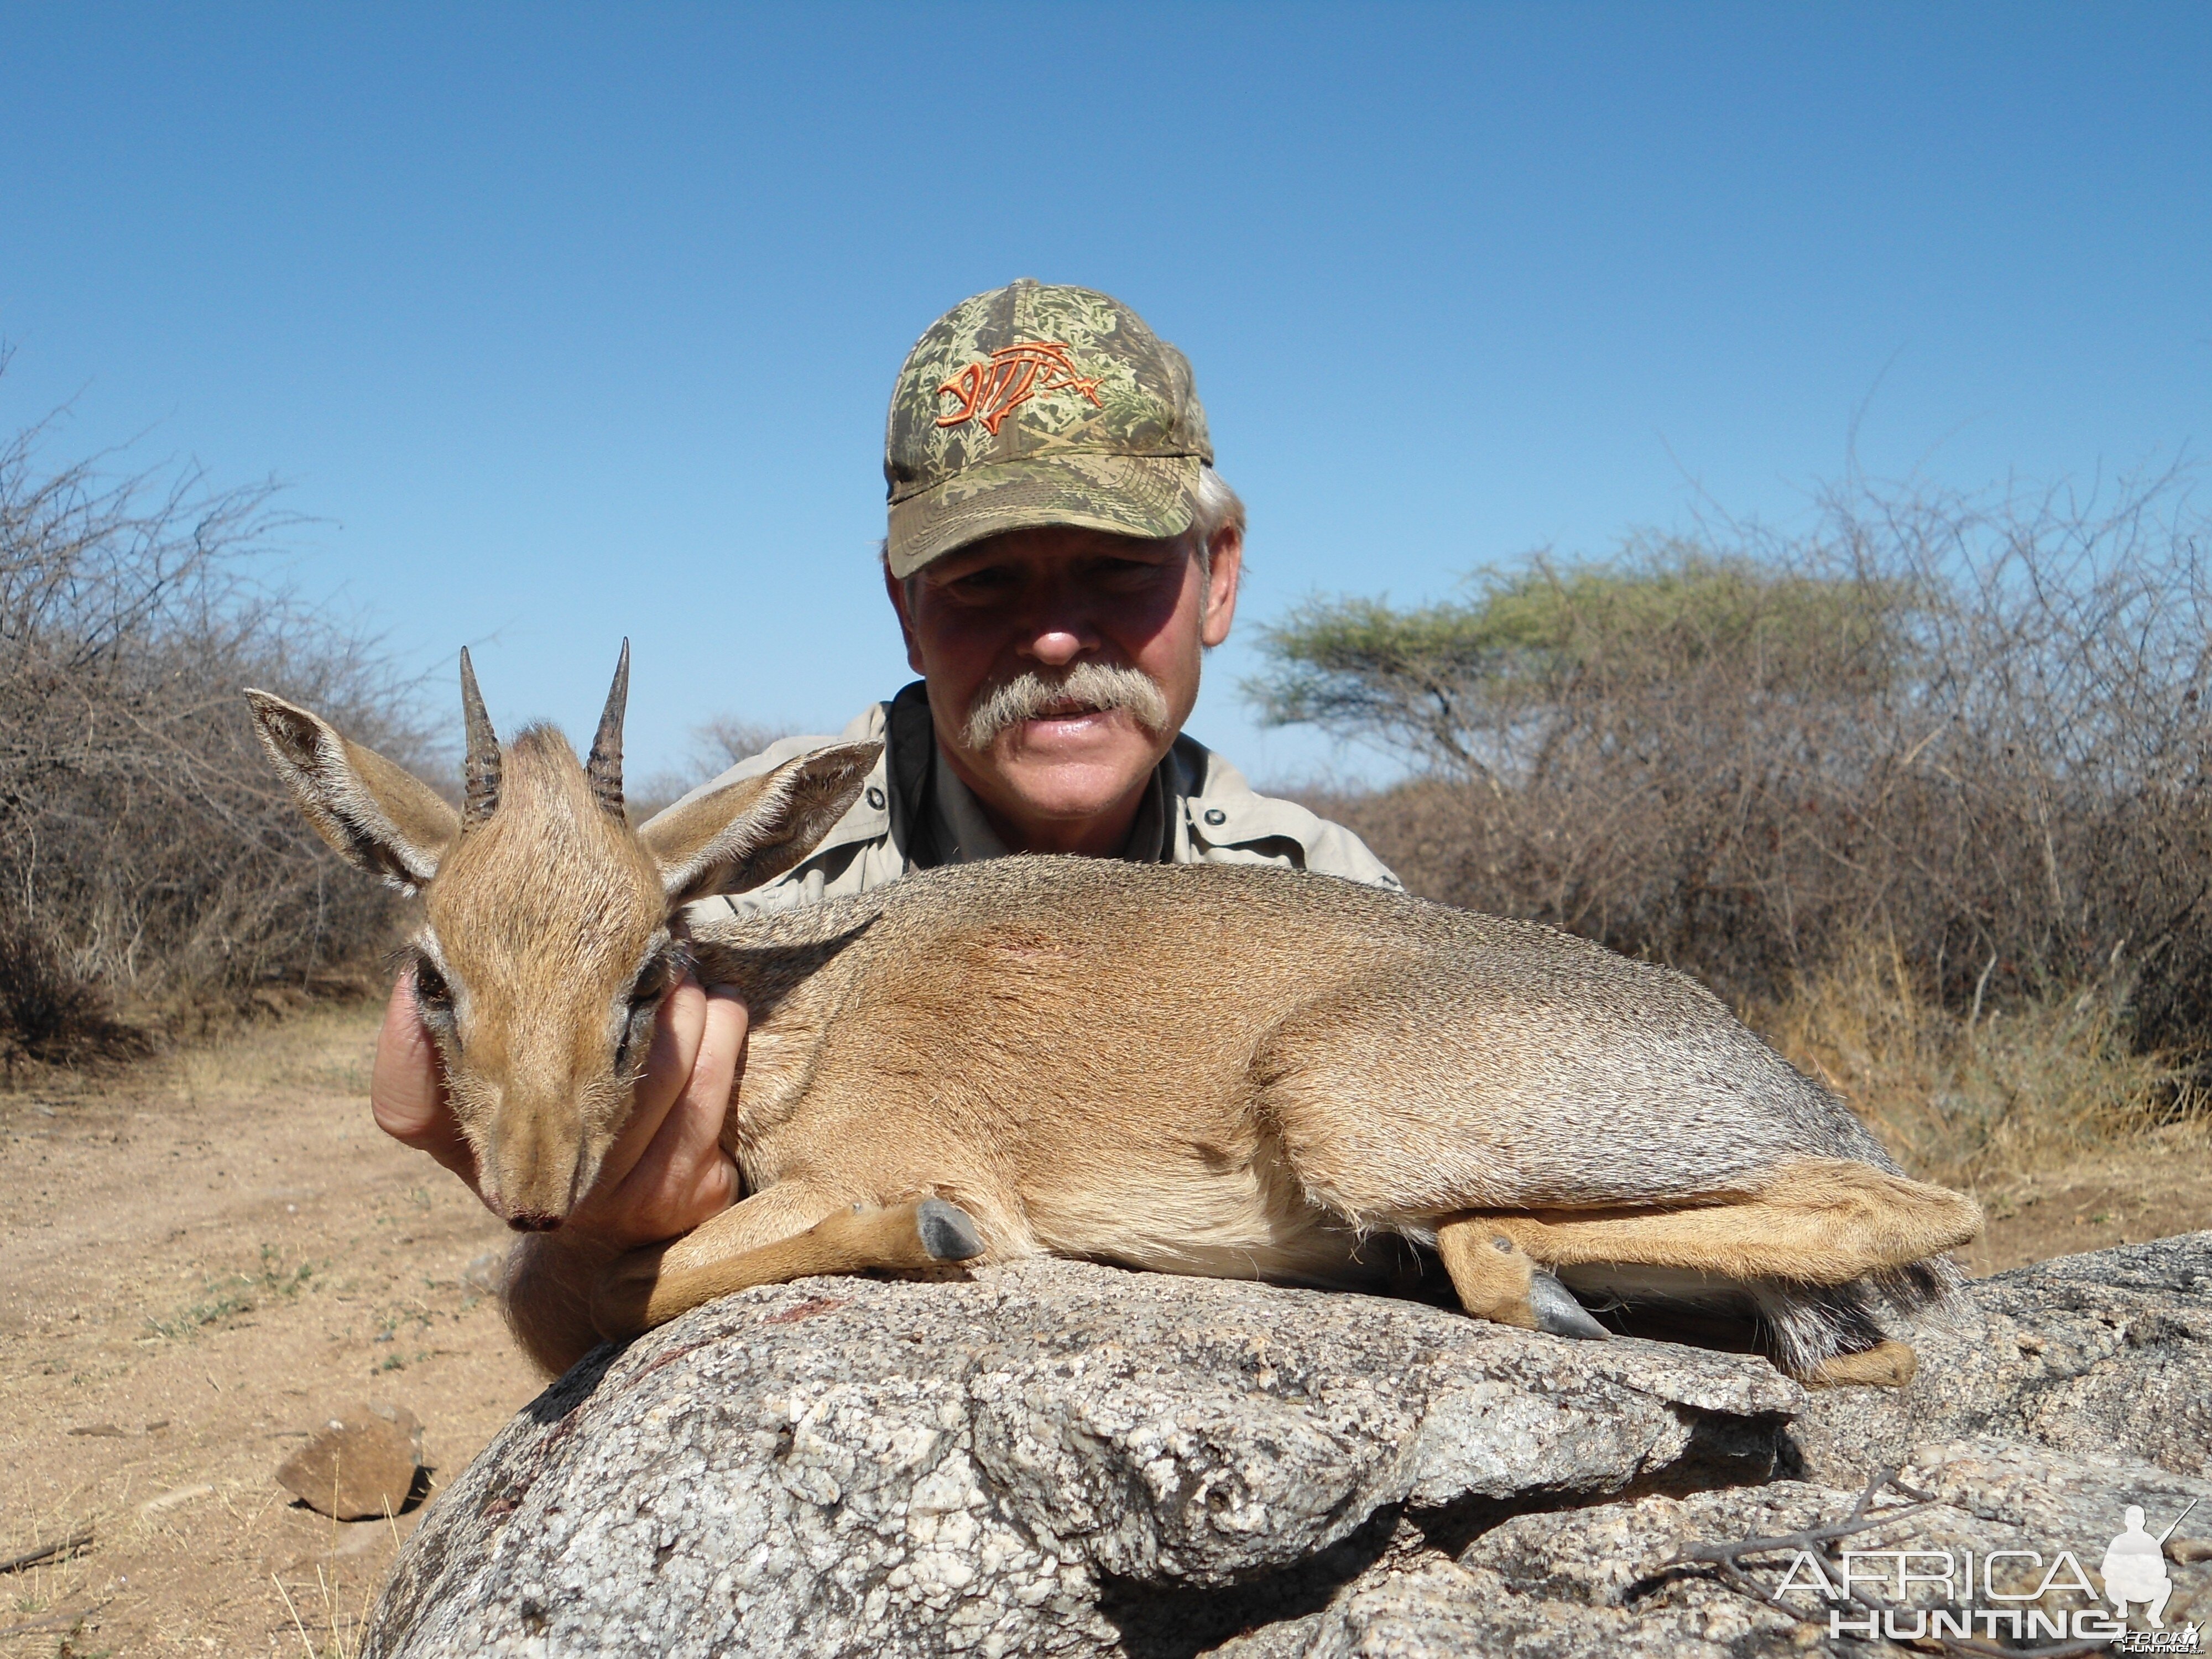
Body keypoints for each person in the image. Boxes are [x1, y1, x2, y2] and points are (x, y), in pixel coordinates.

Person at [369, 279, 1399, 1370]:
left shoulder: (1321, 889)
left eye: (1117, 569)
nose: (1053, 637)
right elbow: (552, 1327)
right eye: (984, 578)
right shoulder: (734, 889)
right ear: (905, 608)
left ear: (1216, 578)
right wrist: (593, 1236)